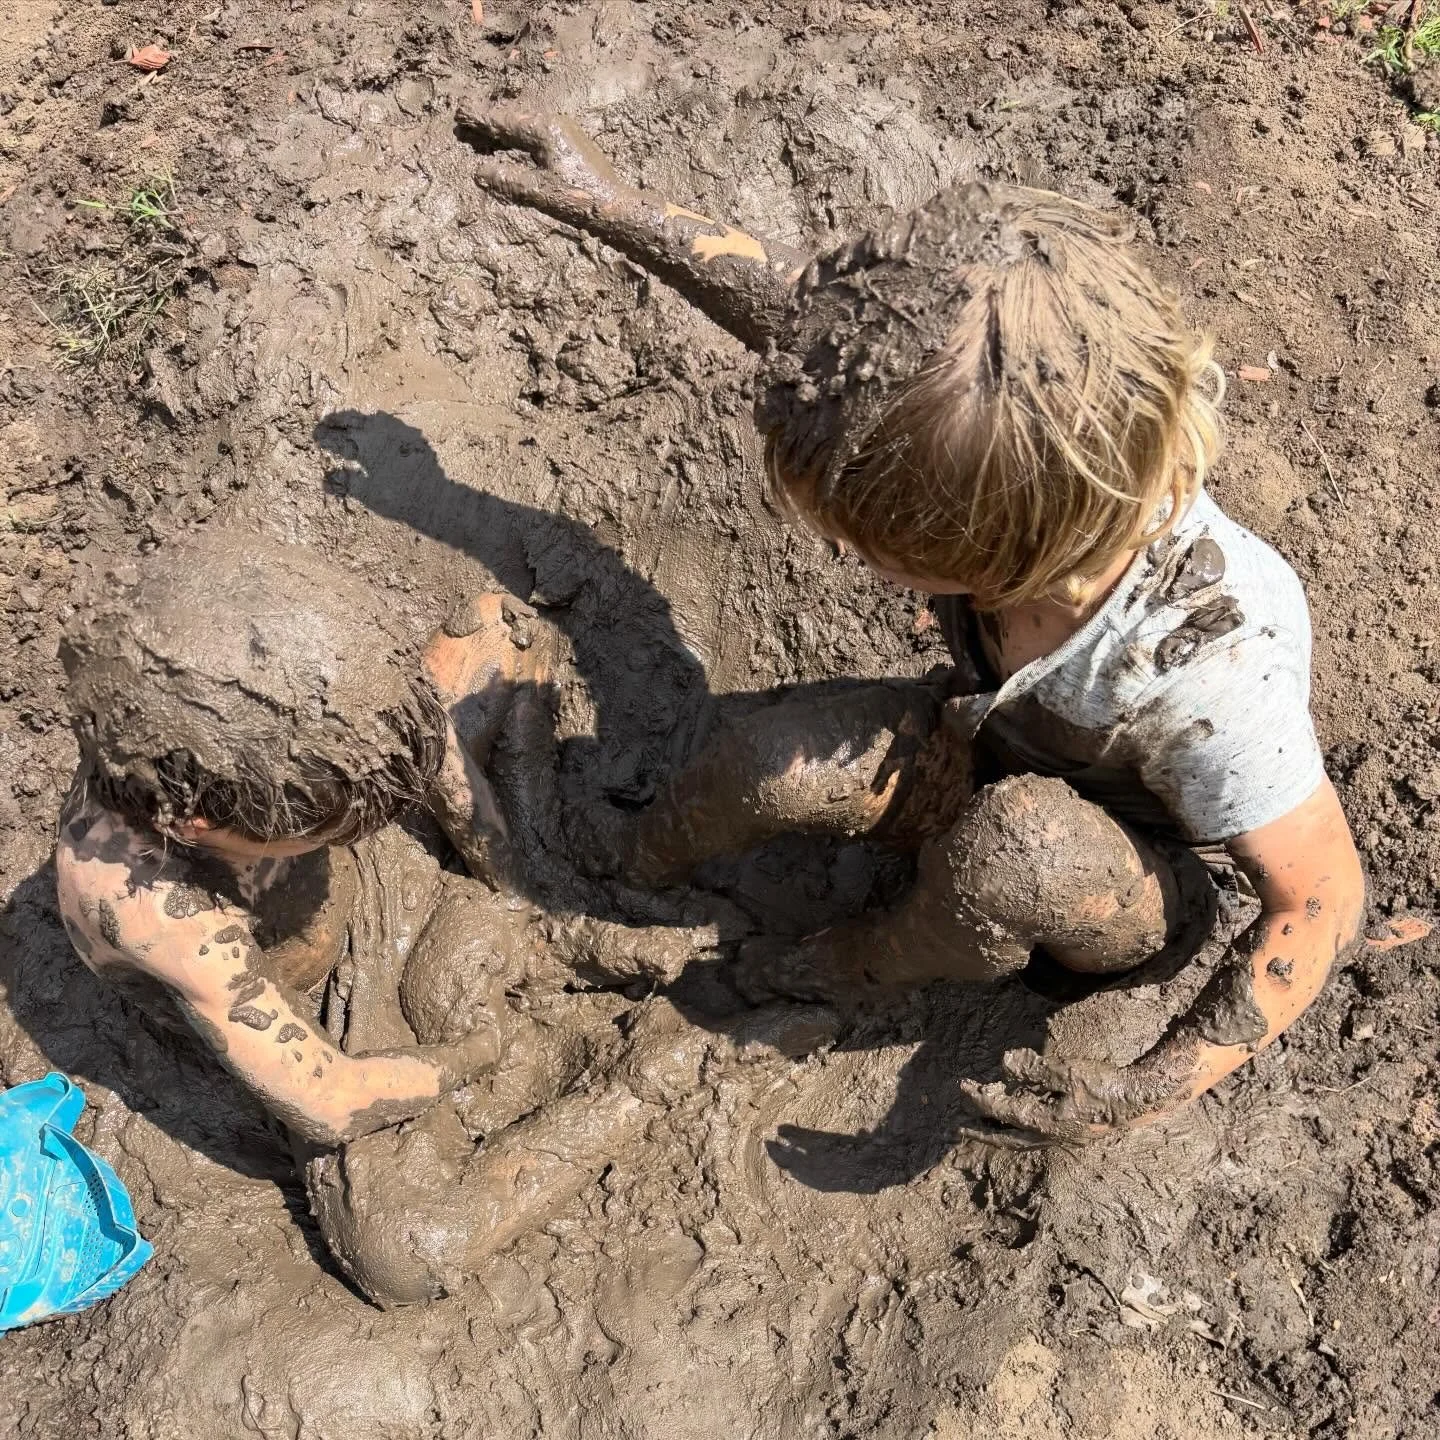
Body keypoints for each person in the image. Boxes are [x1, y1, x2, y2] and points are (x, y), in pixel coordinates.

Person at [453, 105, 1367, 1144]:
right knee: (768, 757)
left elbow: (1323, 898)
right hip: (983, 738)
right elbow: (810, 338)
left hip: (1116, 874)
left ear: (995, 555)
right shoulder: (970, 407)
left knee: (1011, 855)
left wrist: (1148, 1086)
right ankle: (618, 868)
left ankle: (842, 965)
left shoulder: (1211, 675)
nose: (845, 553)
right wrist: (602, 196)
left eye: (869, 543)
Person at [53, 531, 821, 1304]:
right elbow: (327, 1099)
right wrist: (470, 1055)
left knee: (499, 629)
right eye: (323, 825)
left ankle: (544, 878)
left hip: (381, 871)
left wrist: (516, 878)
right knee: (404, 1251)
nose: (353, 823)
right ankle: (663, 1070)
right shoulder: (159, 911)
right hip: (315, 1006)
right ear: (191, 824)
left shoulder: (322, 682)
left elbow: (419, 748)